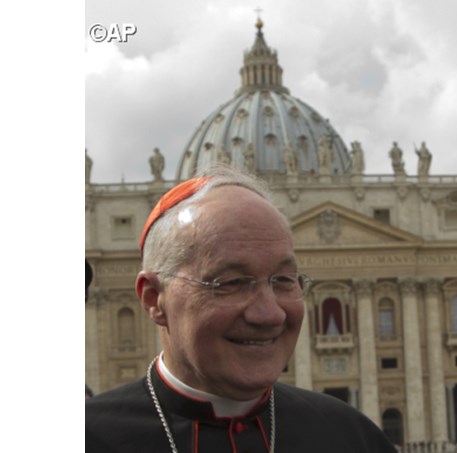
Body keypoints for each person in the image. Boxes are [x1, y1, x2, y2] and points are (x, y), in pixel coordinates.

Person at [85, 164, 397, 453]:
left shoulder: (353, 438)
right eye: (231, 282)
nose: (269, 314)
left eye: (284, 280)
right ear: (154, 298)